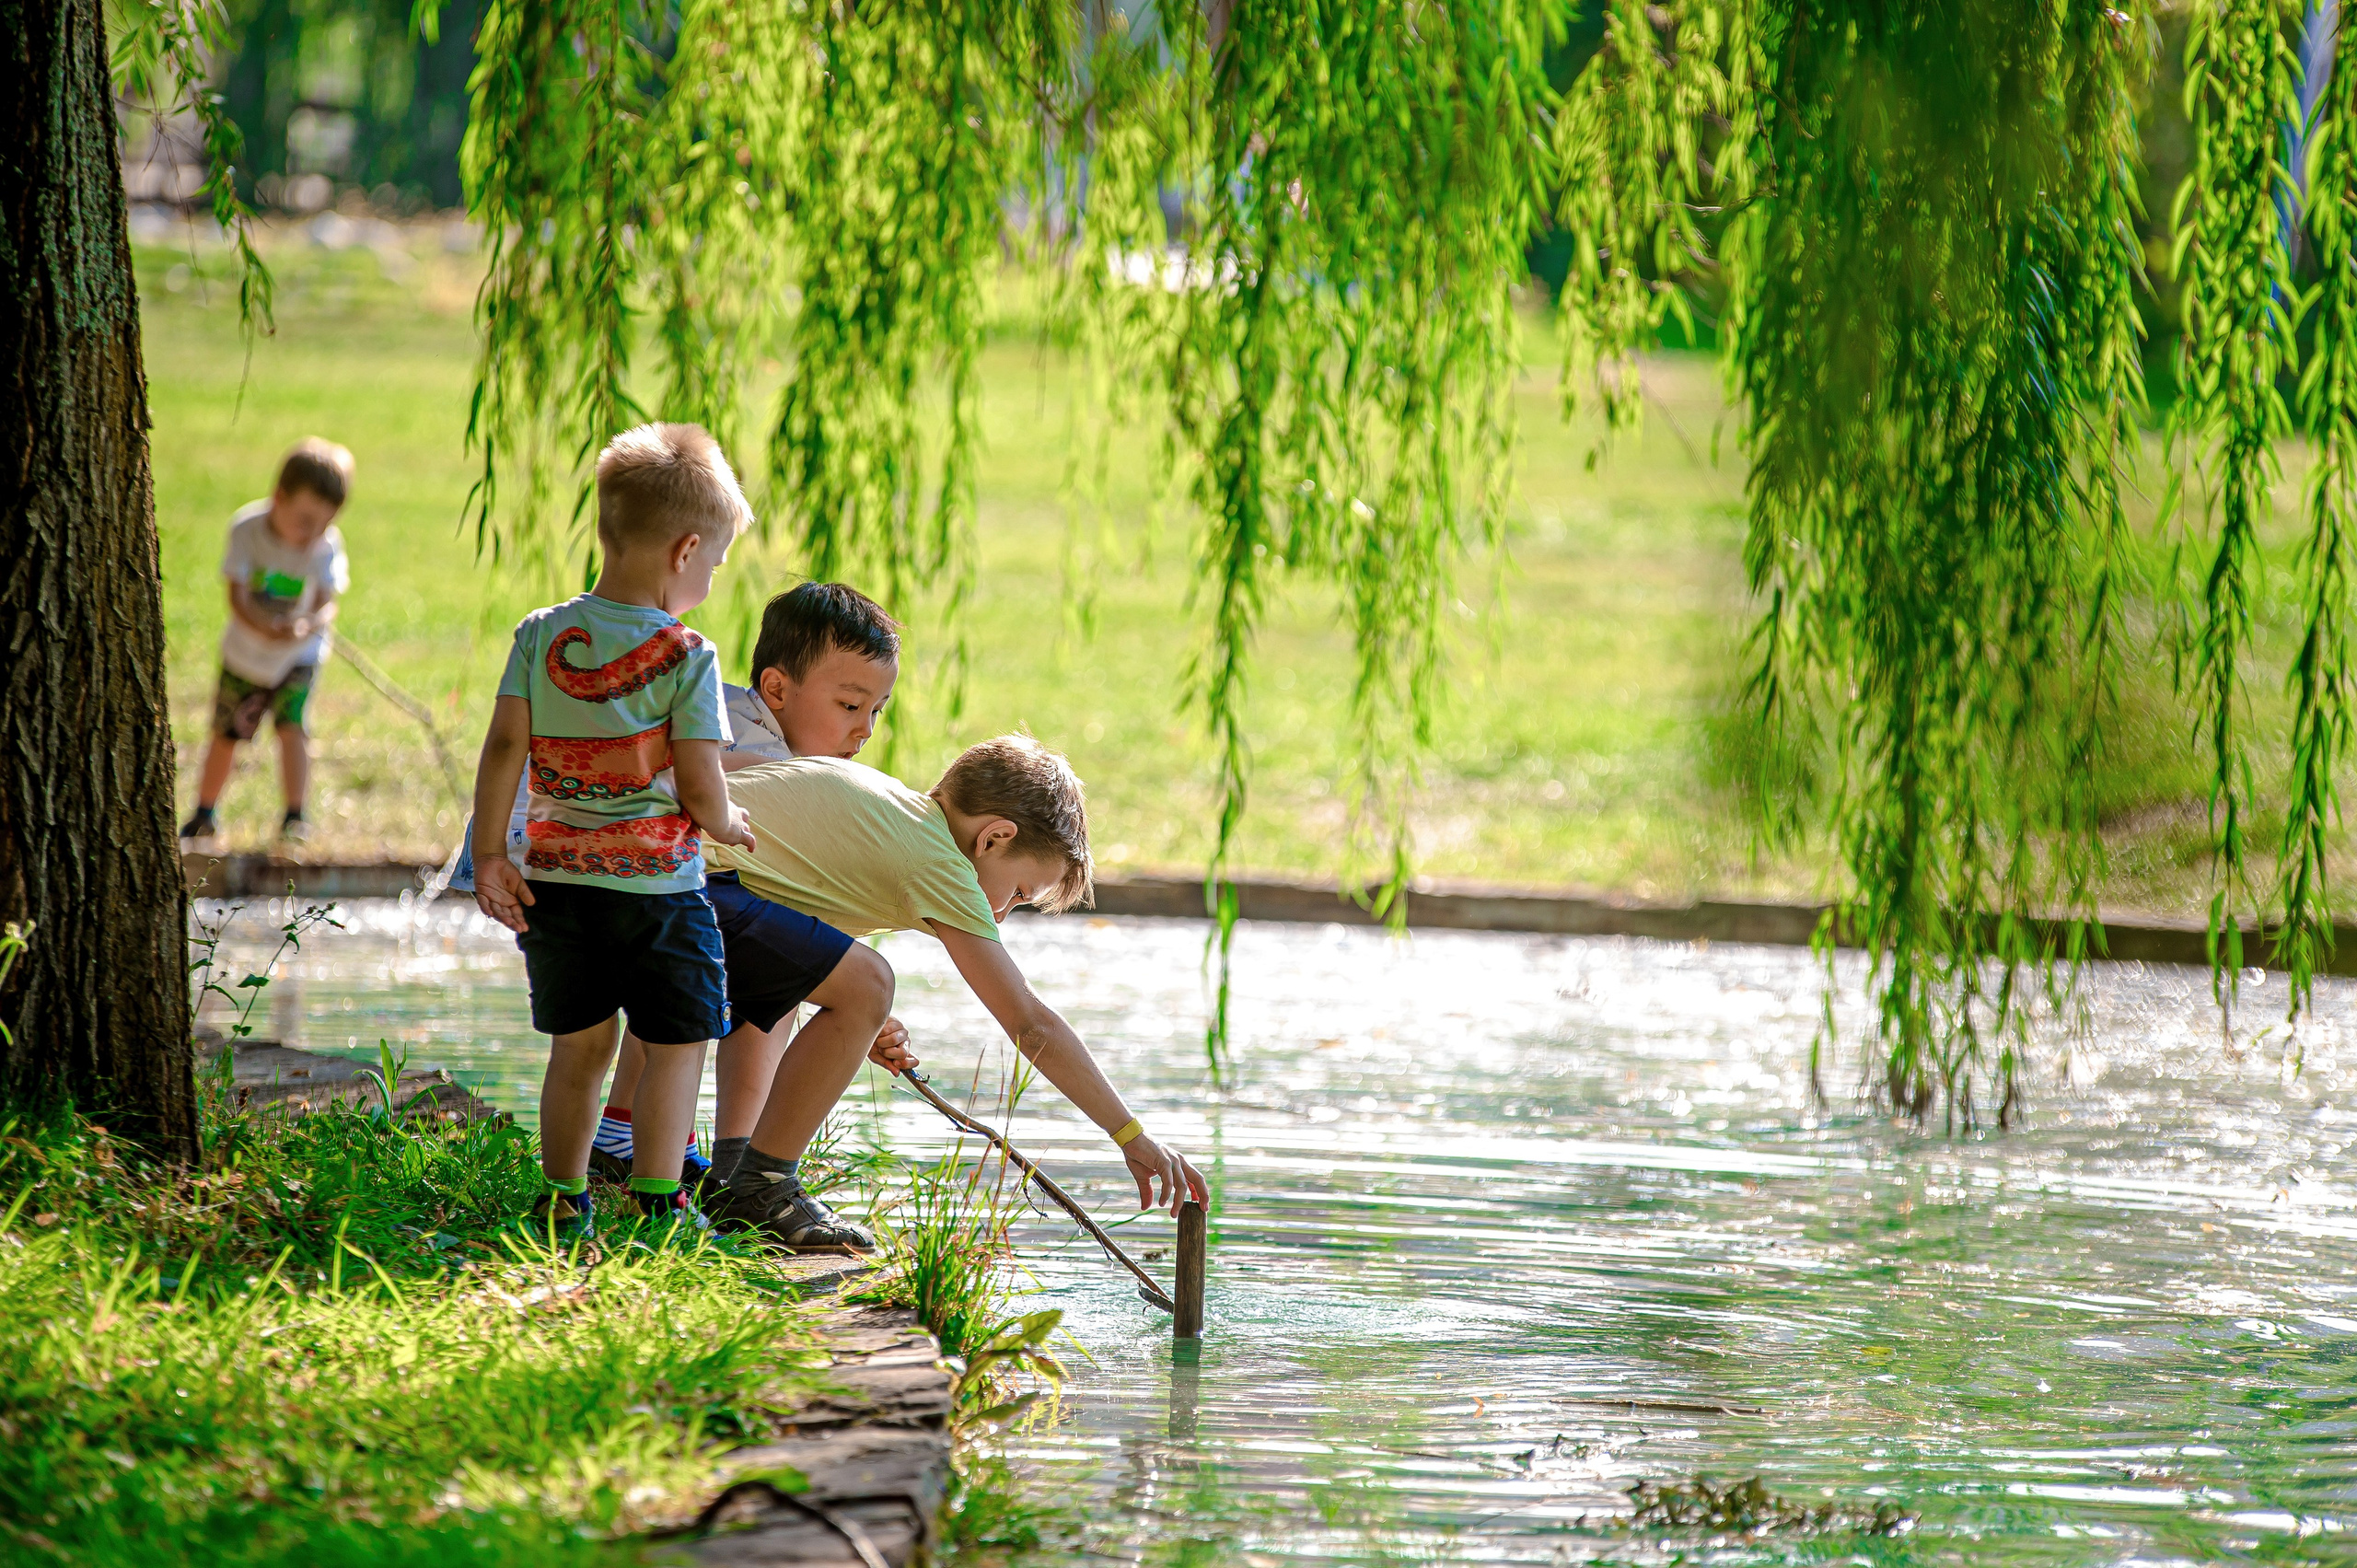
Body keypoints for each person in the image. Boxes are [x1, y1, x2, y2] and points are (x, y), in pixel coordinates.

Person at [678, 735, 1206, 1252]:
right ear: (994, 838)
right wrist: (1130, 1134)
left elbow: (787, 915)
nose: (1001, 914)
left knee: (856, 989)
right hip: (688, 893)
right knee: (870, 982)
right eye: (1019, 894)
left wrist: (850, 1020)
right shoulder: (939, 862)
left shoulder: (885, 802)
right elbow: (1028, 1022)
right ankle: (763, 1186)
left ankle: (730, 1167)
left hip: (655, 874)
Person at [467, 422, 756, 1238]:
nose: (709, 580)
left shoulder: (539, 633)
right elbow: (701, 786)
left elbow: (502, 750)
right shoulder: (688, 655)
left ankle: (563, 1197)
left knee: (581, 1047)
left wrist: (492, 853)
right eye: (714, 565)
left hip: (558, 886)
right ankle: (660, 1202)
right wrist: (731, 822)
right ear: (685, 550)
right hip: (660, 895)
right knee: (677, 1042)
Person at [586, 582, 901, 1189]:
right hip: (610, 887)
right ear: (778, 689)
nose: (864, 729)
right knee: (743, 958)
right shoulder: (743, 739)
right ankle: (692, 1151)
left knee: (760, 952)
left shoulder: (758, 736)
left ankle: (645, 1140)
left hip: (622, 888)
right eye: (848, 705)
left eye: (875, 711)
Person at [179, 438, 354, 848]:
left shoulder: (326, 546)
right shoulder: (247, 530)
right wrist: (265, 626)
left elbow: (328, 603)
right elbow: (237, 597)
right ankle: (204, 813)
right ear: (279, 497)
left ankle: (296, 816)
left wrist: (308, 623)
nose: (314, 533)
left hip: (298, 656)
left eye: (325, 523)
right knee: (226, 732)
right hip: (246, 655)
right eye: (306, 520)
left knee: (294, 729)